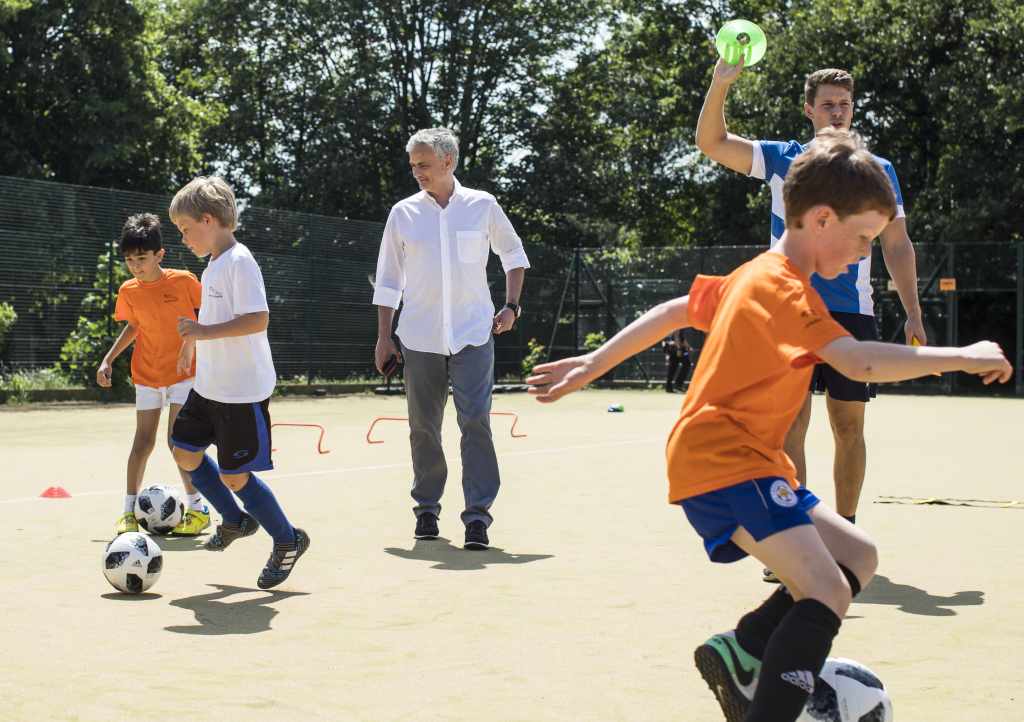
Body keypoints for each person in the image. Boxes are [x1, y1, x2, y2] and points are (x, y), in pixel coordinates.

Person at [527, 131, 1011, 722]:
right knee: (827, 590)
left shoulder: (761, 275)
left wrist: (592, 364)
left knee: (856, 556)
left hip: (747, 462)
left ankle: (746, 648)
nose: (865, 253)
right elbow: (858, 361)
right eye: (862, 237)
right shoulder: (784, 290)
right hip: (726, 462)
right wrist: (962, 355)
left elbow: (676, 310)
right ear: (822, 219)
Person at [695, 61, 927, 537]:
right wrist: (721, 83)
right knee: (788, 427)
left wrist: (913, 311)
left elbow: (897, 244)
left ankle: (846, 531)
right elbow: (712, 143)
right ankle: (795, 533)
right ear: (809, 110)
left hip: (851, 315)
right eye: (827, 105)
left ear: (853, 108)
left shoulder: (877, 171)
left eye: (844, 104)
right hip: (788, 310)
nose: (837, 113)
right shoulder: (784, 160)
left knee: (849, 427)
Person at [372, 127, 530, 550]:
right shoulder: (402, 213)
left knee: (475, 421)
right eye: (413, 165)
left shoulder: (483, 205)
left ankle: (477, 516)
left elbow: (514, 255)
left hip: (474, 334)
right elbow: (388, 280)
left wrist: (512, 307)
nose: (417, 172)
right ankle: (426, 509)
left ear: (448, 161)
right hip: (418, 337)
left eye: (423, 164)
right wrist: (384, 337)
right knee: (423, 426)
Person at [169, 176, 309, 590]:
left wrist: (200, 333)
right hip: (209, 387)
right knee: (184, 452)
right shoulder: (213, 264)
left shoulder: (240, 261)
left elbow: (257, 319)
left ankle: (287, 539)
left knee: (235, 476)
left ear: (208, 220)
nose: (183, 238)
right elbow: (212, 320)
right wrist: (192, 344)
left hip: (241, 393)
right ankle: (235, 519)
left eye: (185, 229)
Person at [97, 213, 210, 536]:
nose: (135, 266)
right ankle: (128, 512)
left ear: (159, 255)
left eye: (142, 258)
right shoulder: (128, 290)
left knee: (178, 442)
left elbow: (206, 316)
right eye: (129, 260)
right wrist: (108, 359)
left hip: (184, 374)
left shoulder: (184, 281)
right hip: (147, 374)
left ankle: (198, 508)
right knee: (142, 442)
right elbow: (134, 326)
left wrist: (193, 345)